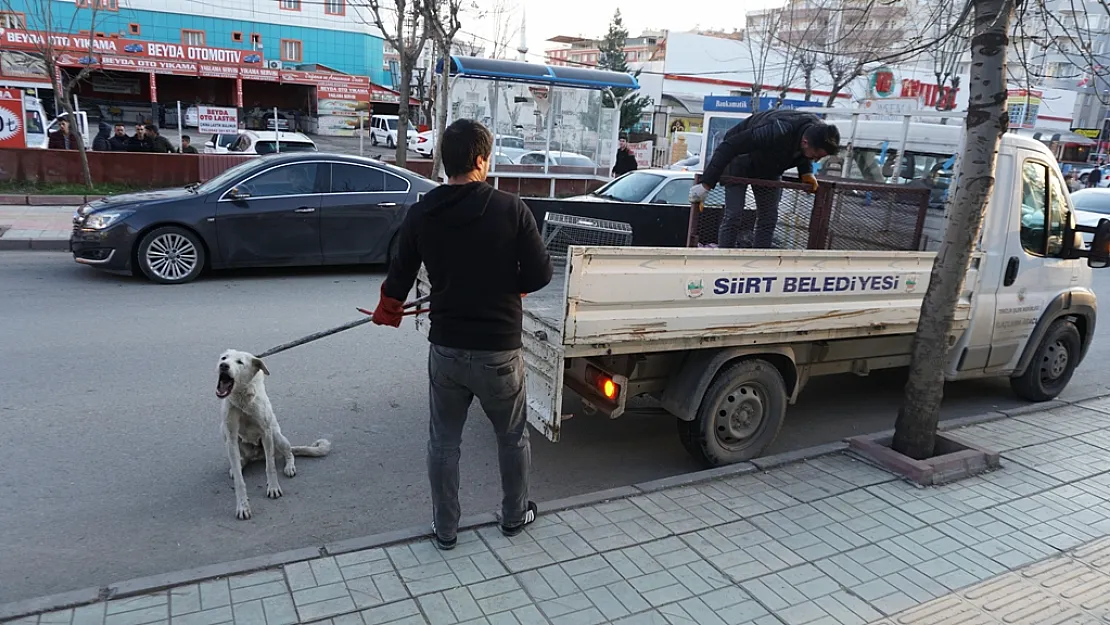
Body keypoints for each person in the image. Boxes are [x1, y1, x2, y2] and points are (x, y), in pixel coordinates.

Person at [371, 119, 553, 551]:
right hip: (500, 352)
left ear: (444, 162)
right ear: (479, 160)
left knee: (444, 442)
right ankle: (513, 516)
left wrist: (388, 309)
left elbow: (398, 282)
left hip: (448, 349)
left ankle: (446, 529)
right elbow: (542, 273)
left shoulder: (422, 212)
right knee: (511, 438)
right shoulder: (511, 209)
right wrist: (513, 283)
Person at [689, 109, 841, 249]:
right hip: (739, 161)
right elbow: (728, 146)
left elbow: (802, 154)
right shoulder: (776, 129)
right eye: (816, 156)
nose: (815, 160)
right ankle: (725, 258)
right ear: (805, 142)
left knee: (768, 218)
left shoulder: (814, 132)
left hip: (769, 167)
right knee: (734, 214)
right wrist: (706, 184)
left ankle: (760, 261)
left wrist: (806, 173)